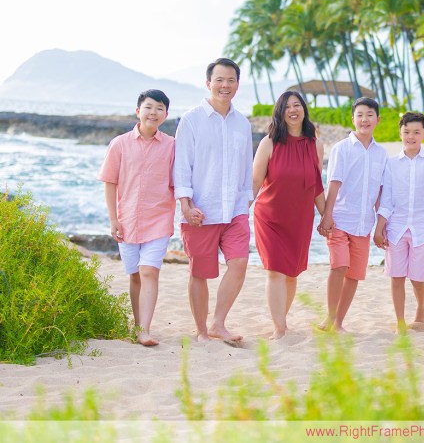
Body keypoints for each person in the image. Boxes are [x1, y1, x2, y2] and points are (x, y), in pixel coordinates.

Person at [174, 58, 253, 342]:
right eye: (219, 80)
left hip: (235, 210)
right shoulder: (191, 119)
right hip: (200, 210)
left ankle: (219, 323)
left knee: (239, 264)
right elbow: (182, 165)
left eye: (230, 80)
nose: (225, 85)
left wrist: (245, 202)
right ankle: (201, 330)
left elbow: (247, 168)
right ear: (208, 83)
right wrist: (185, 204)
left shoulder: (242, 124)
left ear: (237, 85)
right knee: (200, 273)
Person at [99, 89, 174, 346]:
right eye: (149, 107)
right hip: (127, 220)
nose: (154, 112)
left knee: (149, 271)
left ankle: (144, 330)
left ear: (166, 114)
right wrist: (113, 219)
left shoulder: (172, 146)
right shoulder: (119, 144)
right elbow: (110, 182)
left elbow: (180, 182)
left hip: (159, 220)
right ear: (138, 111)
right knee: (135, 275)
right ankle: (138, 323)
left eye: (160, 108)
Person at [252, 91, 325, 340]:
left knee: (292, 274)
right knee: (275, 271)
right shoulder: (269, 143)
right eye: (287, 106)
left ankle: (282, 320)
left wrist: (326, 216)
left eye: (297, 105)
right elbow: (254, 183)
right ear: (280, 112)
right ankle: (279, 328)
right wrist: (239, 212)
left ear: (304, 109)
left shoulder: (315, 144)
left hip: (300, 219)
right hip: (269, 217)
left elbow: (316, 185)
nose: (293, 110)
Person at [317, 97, 388, 332]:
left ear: (377, 119)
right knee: (339, 266)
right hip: (340, 219)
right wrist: (326, 216)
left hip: (363, 223)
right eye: (360, 115)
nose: (364, 119)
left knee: (354, 275)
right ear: (353, 119)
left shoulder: (382, 154)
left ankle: (339, 322)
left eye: (369, 115)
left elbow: (380, 192)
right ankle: (329, 317)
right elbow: (333, 184)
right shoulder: (341, 148)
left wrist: (380, 225)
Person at [374, 112, 424, 334]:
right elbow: (386, 200)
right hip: (395, 229)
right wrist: (379, 228)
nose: (410, 136)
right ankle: (400, 321)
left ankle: (422, 307)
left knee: (418, 278)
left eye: (416, 132)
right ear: (400, 133)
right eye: (406, 132)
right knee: (396, 277)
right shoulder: (391, 163)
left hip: (421, 229)